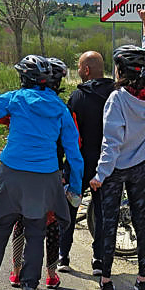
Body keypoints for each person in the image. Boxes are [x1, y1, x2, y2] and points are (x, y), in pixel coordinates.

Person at [0, 55, 83, 290]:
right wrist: (75, 187)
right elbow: (74, 154)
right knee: (36, 231)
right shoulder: (60, 109)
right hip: (44, 177)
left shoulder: (16, 99)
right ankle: (30, 287)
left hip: (11, 173)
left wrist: (3, 108)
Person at [90, 8, 145, 290]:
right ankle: (142, 279)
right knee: (140, 221)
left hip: (116, 170)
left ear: (120, 71)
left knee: (110, 222)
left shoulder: (116, 99)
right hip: (141, 167)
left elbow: (112, 143)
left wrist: (100, 175)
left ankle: (107, 279)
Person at [7, 57, 70, 290]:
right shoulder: (62, 108)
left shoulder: (24, 101)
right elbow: (75, 145)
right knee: (51, 225)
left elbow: (7, 120)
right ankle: (51, 274)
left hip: (22, 170)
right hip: (52, 173)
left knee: (21, 221)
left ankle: (16, 272)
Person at [59, 50, 115, 275]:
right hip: (106, 163)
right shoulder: (115, 94)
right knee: (102, 212)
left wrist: (62, 163)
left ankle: (63, 255)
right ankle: (99, 259)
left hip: (79, 162)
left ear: (87, 70)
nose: (79, 70)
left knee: (70, 208)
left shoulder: (77, 97)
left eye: (80, 67)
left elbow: (67, 133)